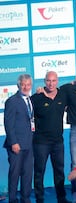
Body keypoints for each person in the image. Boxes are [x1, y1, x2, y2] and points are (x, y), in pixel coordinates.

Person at [31, 71, 70, 203]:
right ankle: (39, 199)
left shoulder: (63, 95)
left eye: (53, 81)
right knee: (39, 171)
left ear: (57, 81)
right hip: (41, 142)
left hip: (58, 142)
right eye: (48, 81)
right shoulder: (36, 98)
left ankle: (62, 198)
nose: (51, 83)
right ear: (44, 81)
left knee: (59, 171)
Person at [3, 74, 34, 203]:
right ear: (18, 85)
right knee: (15, 174)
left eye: (28, 85)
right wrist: (14, 142)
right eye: (23, 84)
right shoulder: (12, 101)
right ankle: (12, 199)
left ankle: (26, 199)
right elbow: (8, 124)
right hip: (16, 145)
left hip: (29, 144)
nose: (25, 87)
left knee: (27, 174)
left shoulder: (30, 99)